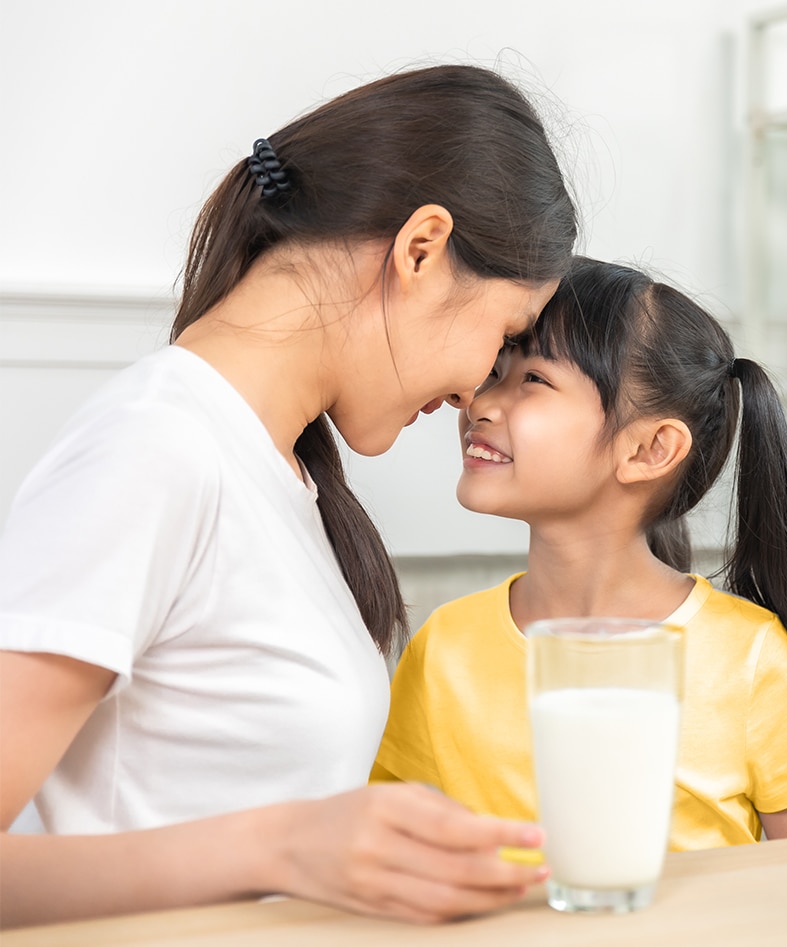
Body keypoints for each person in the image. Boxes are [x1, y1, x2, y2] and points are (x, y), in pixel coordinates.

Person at [0, 64, 577, 928]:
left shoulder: (280, 473)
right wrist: (279, 847)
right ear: (420, 250)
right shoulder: (157, 448)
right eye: (503, 334)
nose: (472, 391)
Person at [373, 257, 787, 847]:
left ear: (649, 449)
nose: (481, 404)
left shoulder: (746, 655)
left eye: (533, 380)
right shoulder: (443, 647)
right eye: (494, 372)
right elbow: (390, 840)